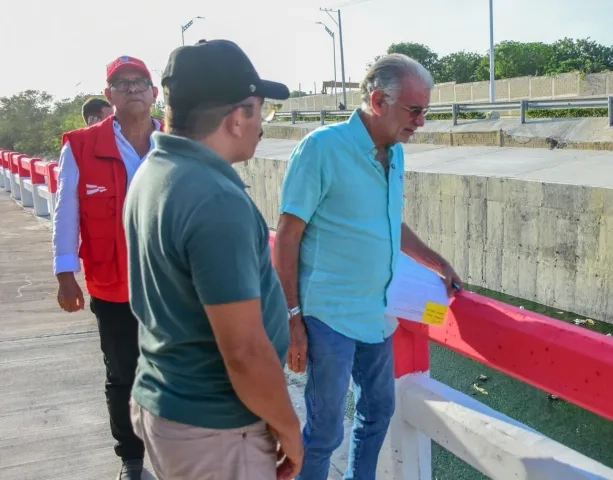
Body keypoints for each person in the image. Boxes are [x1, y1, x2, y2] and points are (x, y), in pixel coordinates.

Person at [274, 53, 462, 480]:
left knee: (378, 413)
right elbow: (287, 235)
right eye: (414, 111)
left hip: (379, 315)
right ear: (378, 100)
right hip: (329, 316)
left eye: (425, 111)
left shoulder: (394, 153)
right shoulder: (322, 148)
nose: (421, 122)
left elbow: (389, 221)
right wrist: (292, 319)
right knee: (323, 431)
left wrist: (437, 262)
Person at [123, 39, 302, 480]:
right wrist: (289, 427)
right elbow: (244, 351)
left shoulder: (154, 171)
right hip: (215, 430)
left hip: (167, 403)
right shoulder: (214, 198)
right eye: (262, 111)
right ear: (238, 116)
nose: (263, 124)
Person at [52, 55, 162, 480]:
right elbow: (66, 211)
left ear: (154, 93)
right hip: (112, 284)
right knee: (123, 375)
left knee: (176, 371)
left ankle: (174, 454)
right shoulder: (81, 145)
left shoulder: (176, 143)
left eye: (141, 82)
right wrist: (65, 273)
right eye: (123, 83)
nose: (133, 89)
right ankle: (132, 462)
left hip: (170, 287)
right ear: (109, 95)